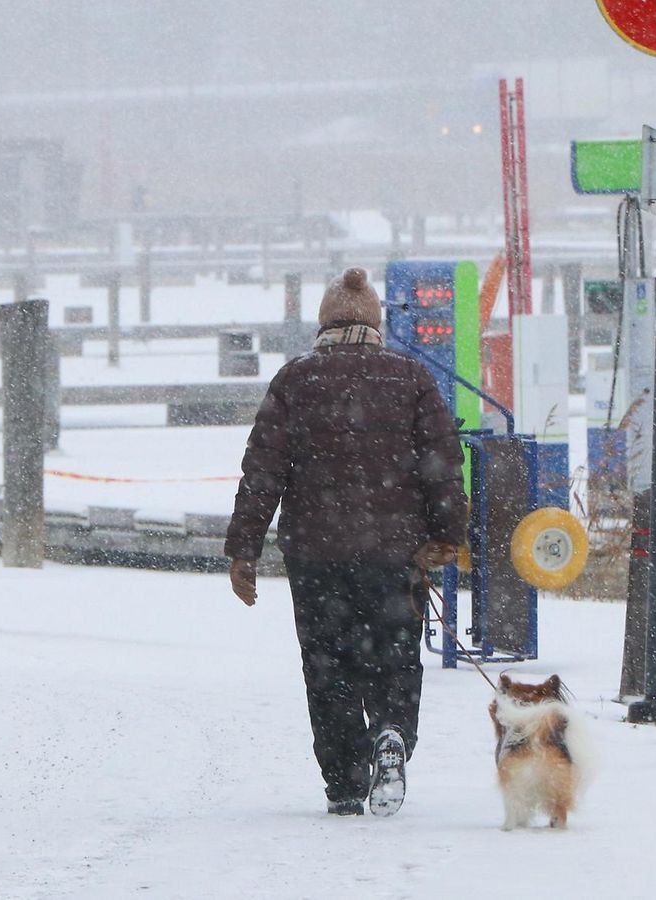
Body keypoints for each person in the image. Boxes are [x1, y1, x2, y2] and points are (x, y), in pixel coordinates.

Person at [224, 266, 467, 817]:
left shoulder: (295, 380)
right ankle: (392, 733)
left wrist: (244, 550)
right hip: (393, 555)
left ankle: (344, 779)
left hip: (317, 557)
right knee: (396, 657)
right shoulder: (411, 379)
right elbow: (442, 466)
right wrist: (448, 535)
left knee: (328, 666)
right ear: (376, 323)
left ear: (323, 324)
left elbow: (262, 472)